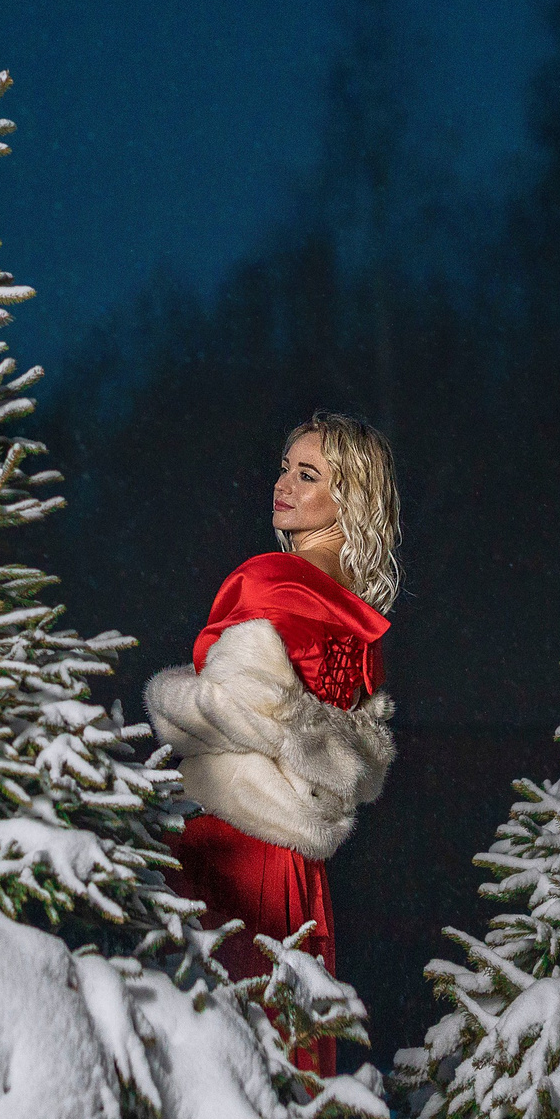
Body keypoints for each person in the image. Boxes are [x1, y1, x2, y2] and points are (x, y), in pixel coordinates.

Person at [146, 412, 400, 1076]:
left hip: (226, 843)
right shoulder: (360, 617)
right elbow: (346, 760)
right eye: (285, 465)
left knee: (208, 1070)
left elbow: (229, 711)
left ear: (348, 498)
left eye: (308, 474)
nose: (283, 483)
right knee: (282, 1060)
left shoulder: (268, 580)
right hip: (294, 867)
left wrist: (168, 700)